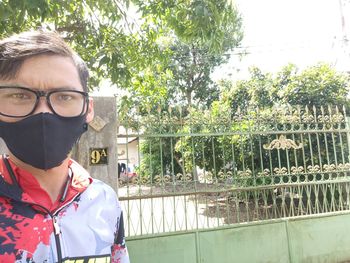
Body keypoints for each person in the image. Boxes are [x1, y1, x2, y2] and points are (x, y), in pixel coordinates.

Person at [0, 30, 130, 262]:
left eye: (64, 96)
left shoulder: (103, 201)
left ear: (88, 109)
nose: (43, 113)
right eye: (20, 95)